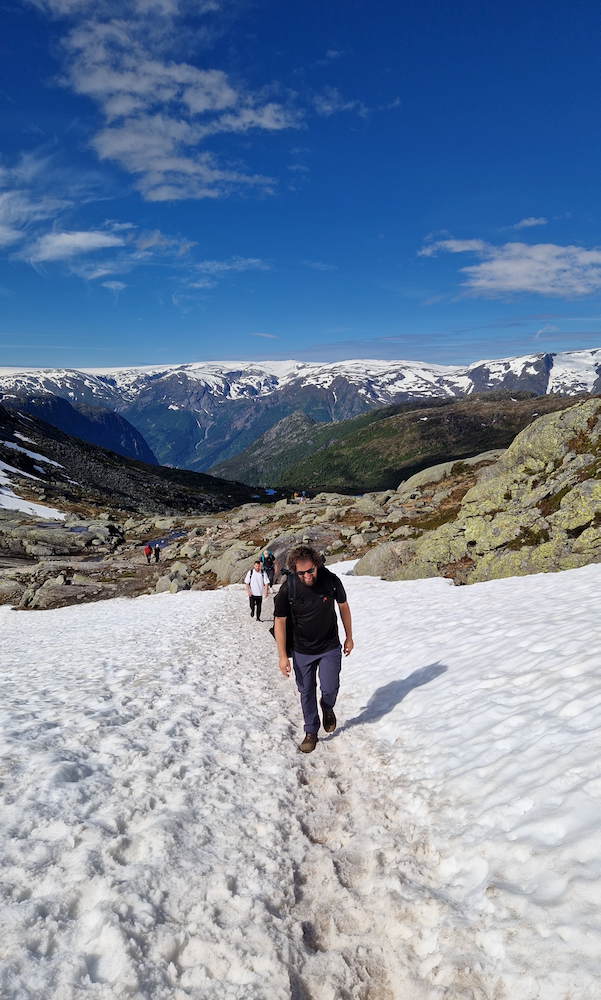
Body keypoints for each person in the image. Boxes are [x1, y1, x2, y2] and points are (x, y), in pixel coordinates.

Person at [274, 544, 353, 753]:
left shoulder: (330, 580)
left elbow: (343, 606)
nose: (307, 576)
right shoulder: (288, 588)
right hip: (301, 650)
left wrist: (349, 637)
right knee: (306, 691)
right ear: (294, 571)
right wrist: (283, 656)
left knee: (330, 687)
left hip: (329, 646)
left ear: (317, 565)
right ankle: (311, 731)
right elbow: (279, 621)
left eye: (310, 570)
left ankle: (327, 707)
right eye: (301, 573)